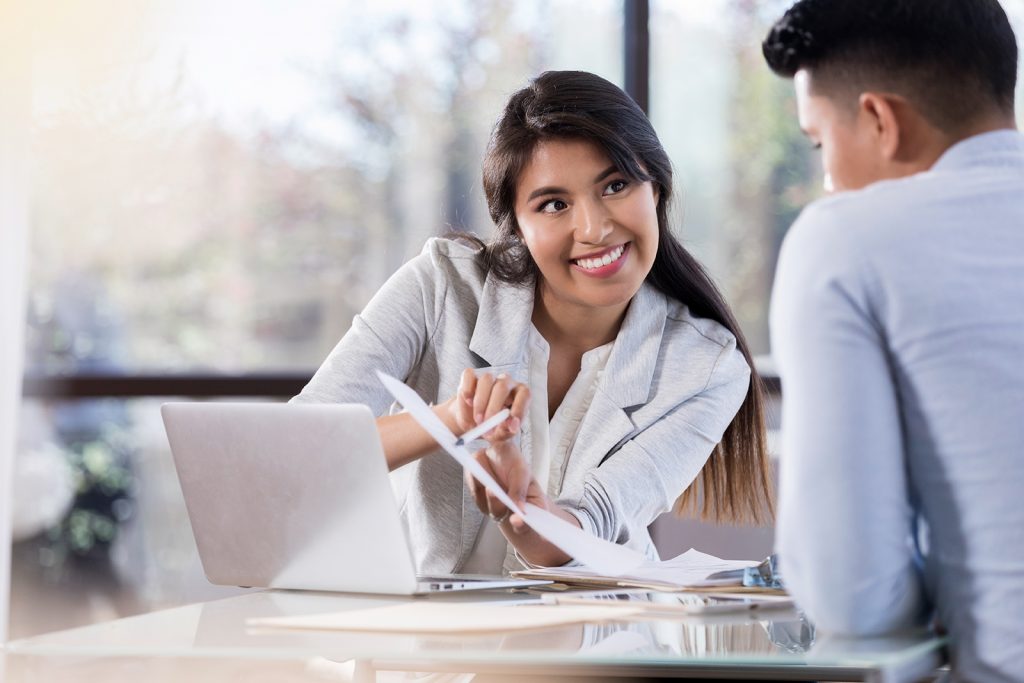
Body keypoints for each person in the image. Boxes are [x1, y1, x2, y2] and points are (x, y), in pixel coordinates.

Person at [294, 70, 773, 576]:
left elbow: (595, 522)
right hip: (422, 646)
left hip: (600, 642)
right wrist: (452, 420)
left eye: (615, 185)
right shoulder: (438, 288)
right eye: (554, 204)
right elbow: (298, 453)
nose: (593, 228)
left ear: (655, 189)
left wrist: (518, 507)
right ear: (517, 226)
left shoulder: (707, 366)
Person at [762, 1, 1024, 680]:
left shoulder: (847, 240)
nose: (826, 179)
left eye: (820, 142)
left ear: (881, 119)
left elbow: (852, 592)